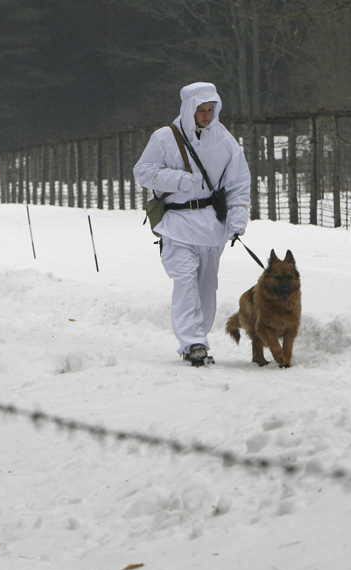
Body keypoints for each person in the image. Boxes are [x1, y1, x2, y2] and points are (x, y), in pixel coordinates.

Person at [133, 82, 251, 366]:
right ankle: (193, 342)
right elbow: (143, 172)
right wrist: (180, 180)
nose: (207, 115)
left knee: (206, 286)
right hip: (177, 223)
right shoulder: (165, 138)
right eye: (201, 110)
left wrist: (237, 219)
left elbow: (239, 182)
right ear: (189, 109)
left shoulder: (224, 140)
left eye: (212, 110)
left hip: (212, 228)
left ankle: (199, 334)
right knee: (185, 281)